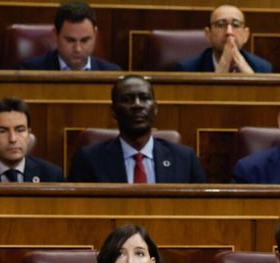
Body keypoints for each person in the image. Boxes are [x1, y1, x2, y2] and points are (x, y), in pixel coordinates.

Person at [67, 75, 208, 183]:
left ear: (155, 108)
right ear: (113, 112)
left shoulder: (184, 158)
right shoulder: (89, 159)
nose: (137, 105)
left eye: (144, 98)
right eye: (127, 100)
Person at [19, 1, 120, 71]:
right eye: (70, 40)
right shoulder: (31, 71)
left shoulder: (111, 73)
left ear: (95, 34)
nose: (78, 49)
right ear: (55, 35)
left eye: (85, 40)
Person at [177, 4, 272, 74]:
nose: (229, 32)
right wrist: (223, 66)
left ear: (246, 35)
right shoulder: (188, 69)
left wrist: (248, 74)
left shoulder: (262, 68)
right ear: (208, 34)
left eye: (236, 25)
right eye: (221, 24)